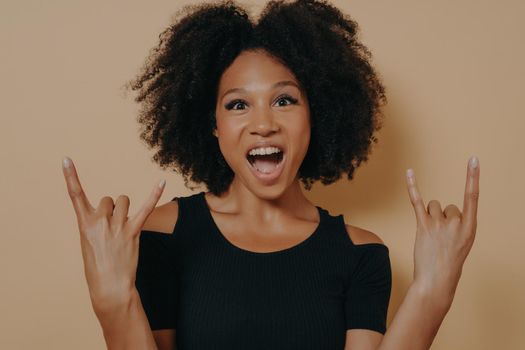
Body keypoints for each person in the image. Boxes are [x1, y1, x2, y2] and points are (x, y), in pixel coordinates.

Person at [61, 0, 480, 349]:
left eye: (284, 100)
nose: (263, 124)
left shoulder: (361, 254)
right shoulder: (161, 236)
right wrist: (113, 301)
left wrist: (432, 291)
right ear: (213, 126)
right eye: (238, 105)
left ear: (317, 116)